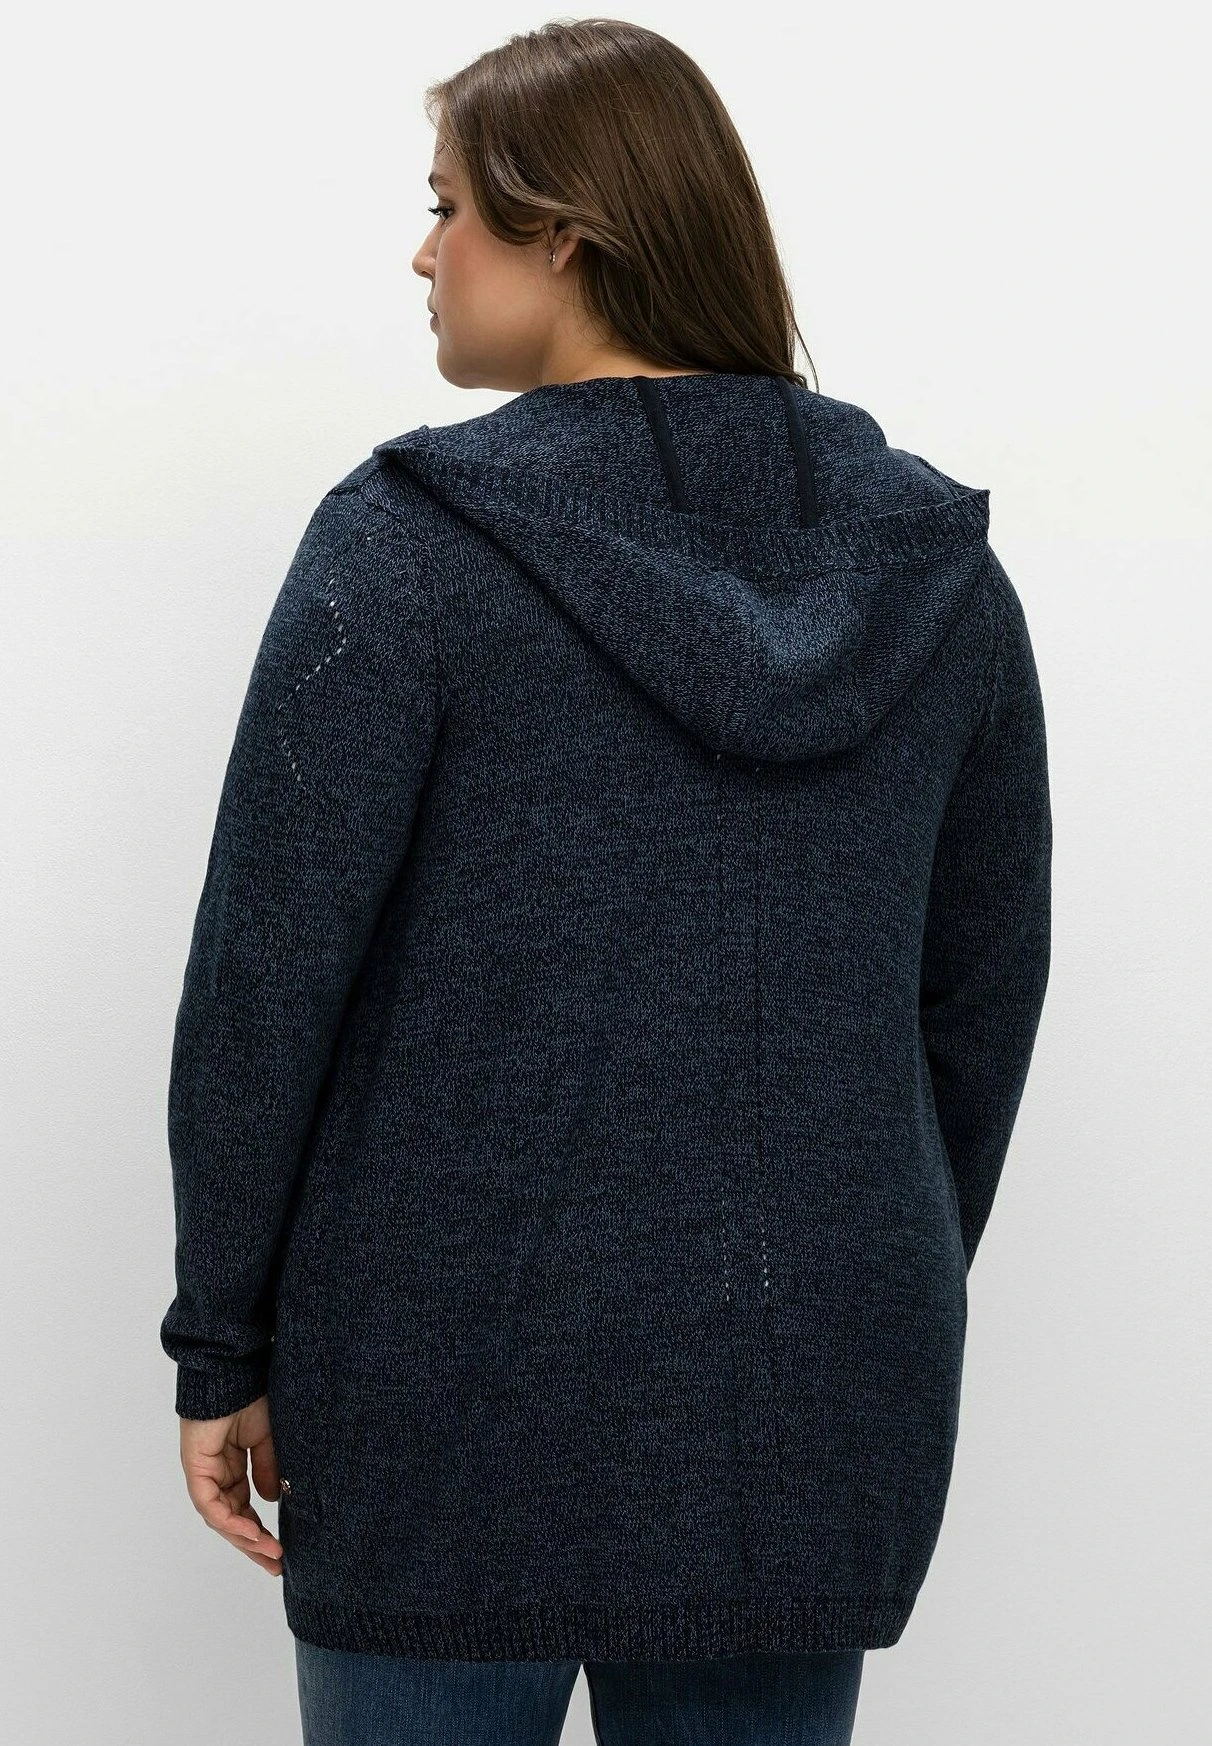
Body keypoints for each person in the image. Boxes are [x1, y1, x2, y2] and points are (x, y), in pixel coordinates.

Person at [160, 18, 1052, 1746]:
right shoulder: (938, 579)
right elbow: (978, 1007)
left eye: (447, 207)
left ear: (565, 232)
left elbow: (265, 983)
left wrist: (224, 1341)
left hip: (440, 1394)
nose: (424, 253)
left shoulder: (407, 546)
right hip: (805, 1401)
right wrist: (852, 1271)